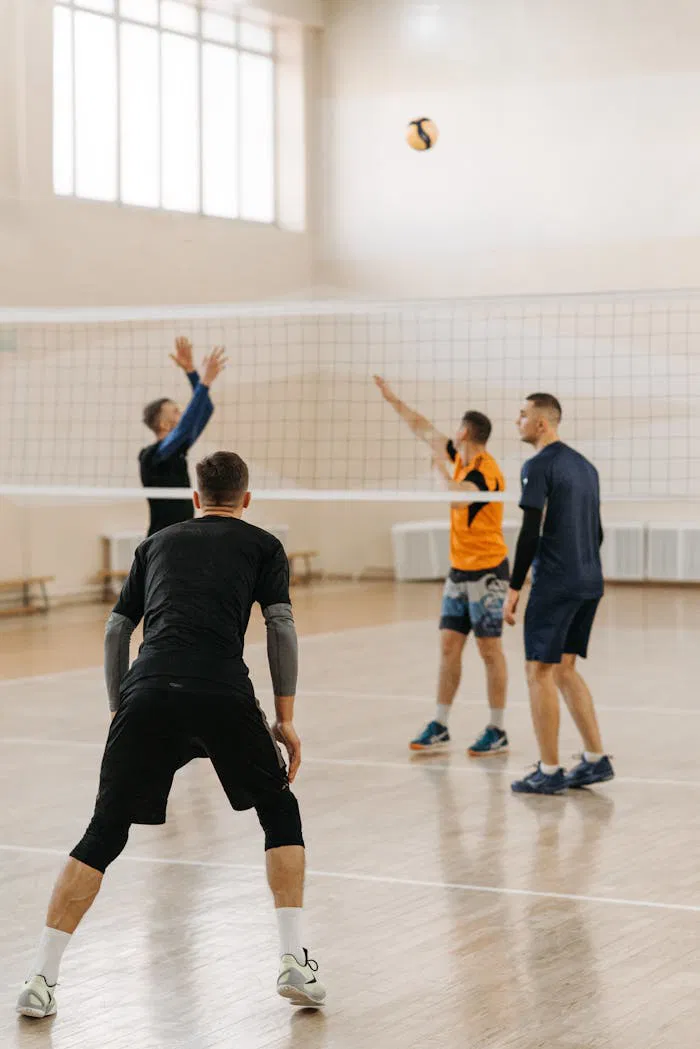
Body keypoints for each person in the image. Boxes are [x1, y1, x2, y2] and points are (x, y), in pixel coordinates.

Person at [17, 451, 326, 1019]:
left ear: (194, 497)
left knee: (104, 831)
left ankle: (41, 977)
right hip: (222, 691)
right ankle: (292, 959)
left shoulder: (156, 543)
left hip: (147, 690)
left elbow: (116, 629)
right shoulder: (263, 545)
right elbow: (280, 626)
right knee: (279, 814)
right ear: (247, 499)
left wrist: (119, 709)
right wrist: (284, 717)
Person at [373, 375, 510, 756]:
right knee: (449, 646)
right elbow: (421, 427)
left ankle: (497, 729)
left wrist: (439, 472)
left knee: (489, 650)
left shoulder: (486, 471)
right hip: (459, 570)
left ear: (465, 431)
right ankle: (441, 723)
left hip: (488, 572)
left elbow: (459, 503)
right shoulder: (458, 455)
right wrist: (391, 398)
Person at [505, 393, 615, 795]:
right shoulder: (585, 467)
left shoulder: (538, 465)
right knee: (564, 670)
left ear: (541, 424)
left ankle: (549, 771)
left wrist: (514, 587)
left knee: (538, 672)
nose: (516, 420)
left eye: (522, 415)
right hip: (590, 580)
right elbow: (598, 531)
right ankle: (594, 759)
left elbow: (530, 531)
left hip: (557, 583)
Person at [139, 337, 227, 536]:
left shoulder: (178, 449)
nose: (183, 413)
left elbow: (206, 410)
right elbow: (185, 426)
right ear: (163, 424)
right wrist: (204, 382)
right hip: (161, 539)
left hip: (183, 533)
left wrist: (191, 372)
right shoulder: (152, 455)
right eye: (176, 412)